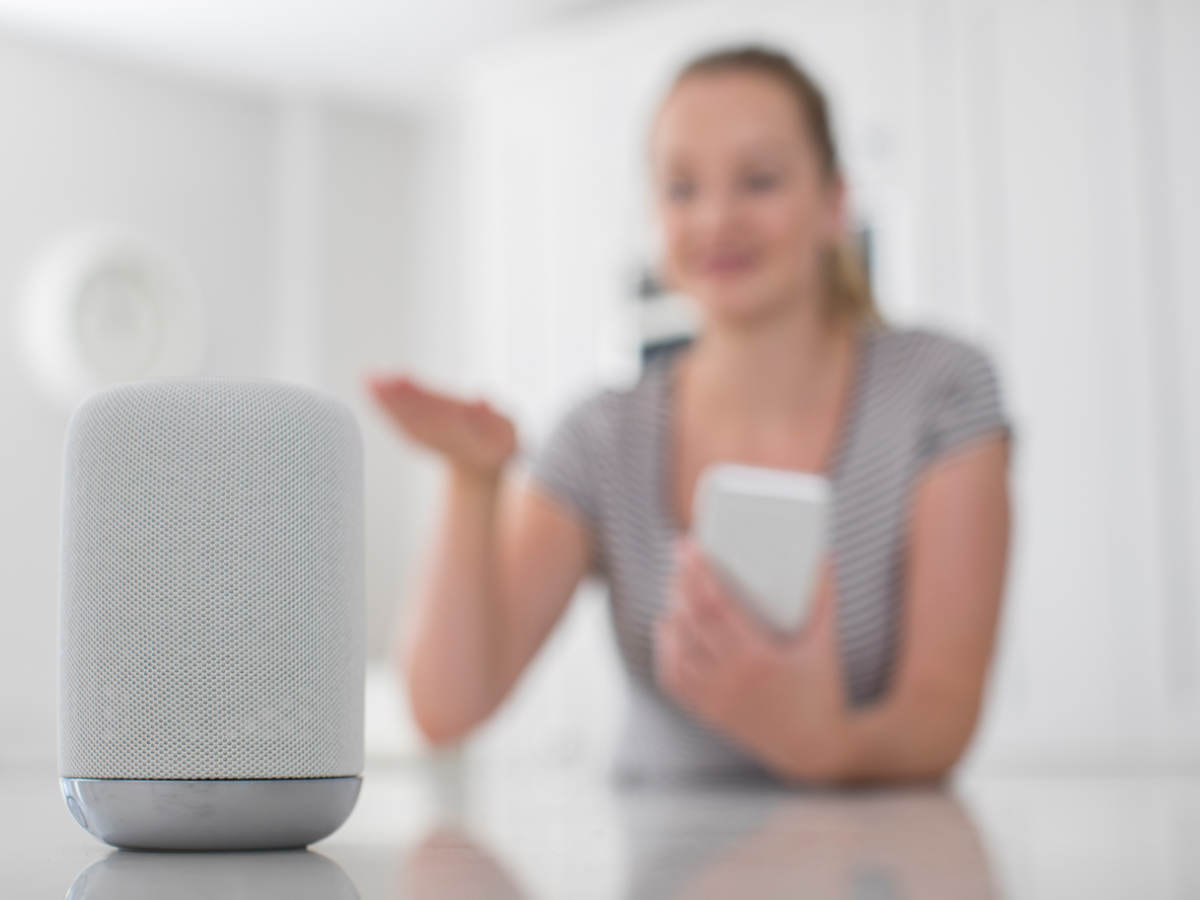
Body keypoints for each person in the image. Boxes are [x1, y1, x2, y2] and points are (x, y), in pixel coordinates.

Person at [368, 45, 1013, 785]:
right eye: (681, 188)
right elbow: (447, 709)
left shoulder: (941, 390)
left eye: (760, 180)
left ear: (834, 203)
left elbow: (943, 716)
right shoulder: (601, 437)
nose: (716, 218)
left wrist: (821, 742)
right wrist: (472, 480)